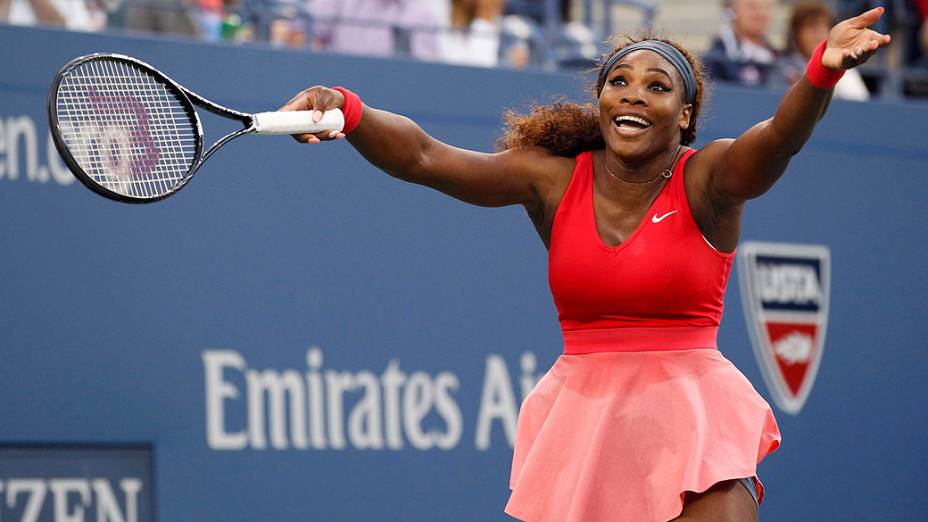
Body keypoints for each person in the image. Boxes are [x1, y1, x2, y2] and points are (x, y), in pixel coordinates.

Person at [277, 7, 891, 521]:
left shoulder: (709, 178)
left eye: (658, 87)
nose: (634, 96)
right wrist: (347, 112)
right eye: (619, 82)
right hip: (585, 421)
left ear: (684, 115)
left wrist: (820, 72)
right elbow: (423, 157)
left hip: (693, 423)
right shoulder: (551, 179)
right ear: (600, 98)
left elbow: (778, 138)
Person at [778, 1, 870, 101]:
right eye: (811, 27)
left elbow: (859, 106)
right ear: (796, 34)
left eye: (823, 27)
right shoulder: (781, 66)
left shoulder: (844, 67)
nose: (818, 34)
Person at [704, 0, 779, 87]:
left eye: (766, 7)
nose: (761, 13)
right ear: (730, 12)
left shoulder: (780, 59)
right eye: (752, 7)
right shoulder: (714, 62)